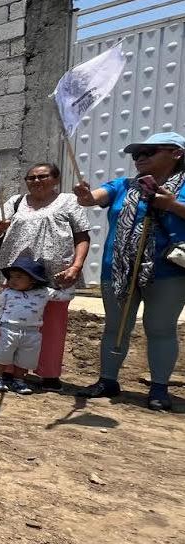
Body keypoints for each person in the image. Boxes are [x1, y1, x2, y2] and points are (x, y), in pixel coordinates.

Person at [73, 132, 185, 411]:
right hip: (118, 270)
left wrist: (170, 205)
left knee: (160, 328)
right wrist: (86, 196)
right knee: (115, 326)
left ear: (176, 153)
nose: (140, 158)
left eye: (148, 152)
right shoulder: (124, 186)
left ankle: (159, 388)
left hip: (167, 271)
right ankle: (107, 380)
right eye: (136, 155)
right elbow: (94, 198)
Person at [0, 163, 90, 391]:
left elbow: (81, 235)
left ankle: (49, 373)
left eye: (42, 176)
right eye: (31, 178)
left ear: (55, 179)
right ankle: (7, 371)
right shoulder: (15, 201)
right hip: (17, 274)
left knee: (52, 326)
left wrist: (76, 266)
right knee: (11, 323)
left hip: (56, 275)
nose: (36, 181)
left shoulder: (68, 201)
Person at [0, 256, 72, 395]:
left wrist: (67, 281)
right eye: (11, 277)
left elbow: (66, 296)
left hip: (32, 333)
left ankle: (19, 380)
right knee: (1, 356)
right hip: (8, 329)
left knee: (25, 359)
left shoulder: (44, 292)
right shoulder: (7, 293)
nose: (13, 280)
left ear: (33, 279)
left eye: (19, 277)